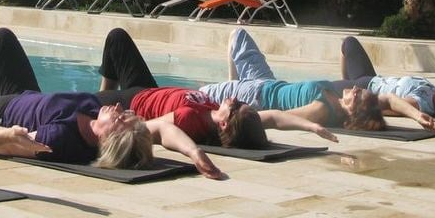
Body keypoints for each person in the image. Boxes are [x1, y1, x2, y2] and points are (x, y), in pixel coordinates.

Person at [0, 28, 223, 179]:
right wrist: (195, 152)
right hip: (25, 96)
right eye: (125, 113)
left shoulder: (57, 139)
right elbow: (164, 131)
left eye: (120, 119)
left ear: (107, 138)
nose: (119, 109)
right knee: (2, 39)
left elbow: (3, 142)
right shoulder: (95, 119)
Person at [95, 28, 337, 148]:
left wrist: (194, 153)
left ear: (224, 123)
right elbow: (273, 117)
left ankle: (100, 102)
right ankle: (103, 94)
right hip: (148, 90)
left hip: (133, 103)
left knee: (81, 104)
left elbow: (154, 128)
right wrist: (312, 126)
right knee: (117, 37)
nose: (234, 99)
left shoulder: (192, 121)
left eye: (235, 107)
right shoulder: (218, 113)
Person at [199, 28, 389, 133]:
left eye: (358, 95)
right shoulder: (335, 97)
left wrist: (237, 118)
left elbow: (278, 117)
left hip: (255, 96)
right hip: (266, 81)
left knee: (196, 96)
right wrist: (416, 114)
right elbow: (388, 100)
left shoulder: (323, 110)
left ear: (352, 112)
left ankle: (231, 91)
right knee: (238, 35)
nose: (355, 88)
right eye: (360, 90)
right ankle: (231, 85)